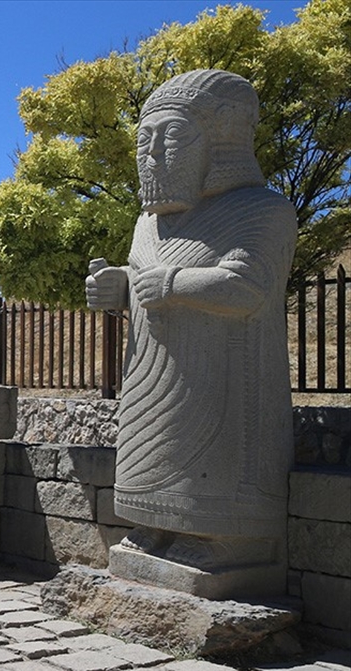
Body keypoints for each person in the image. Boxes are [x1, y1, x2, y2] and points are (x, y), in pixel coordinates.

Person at [85, 69, 296, 576]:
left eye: (172, 136)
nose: (153, 153)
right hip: (153, 367)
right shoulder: (146, 224)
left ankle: (227, 538)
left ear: (221, 139)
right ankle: (155, 523)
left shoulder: (263, 209)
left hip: (226, 368)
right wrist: (118, 286)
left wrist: (174, 283)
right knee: (152, 441)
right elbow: (141, 280)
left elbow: (249, 287)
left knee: (215, 441)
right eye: (146, 140)